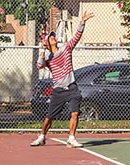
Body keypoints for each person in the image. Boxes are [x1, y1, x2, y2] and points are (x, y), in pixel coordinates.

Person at [31, 12, 95, 148]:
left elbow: (76, 37)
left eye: (54, 36)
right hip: (58, 91)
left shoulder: (66, 48)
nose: (53, 38)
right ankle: (42, 136)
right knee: (49, 116)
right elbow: (39, 65)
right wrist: (42, 50)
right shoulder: (48, 58)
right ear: (47, 43)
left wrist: (82, 22)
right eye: (50, 37)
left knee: (75, 112)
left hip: (72, 88)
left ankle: (71, 138)